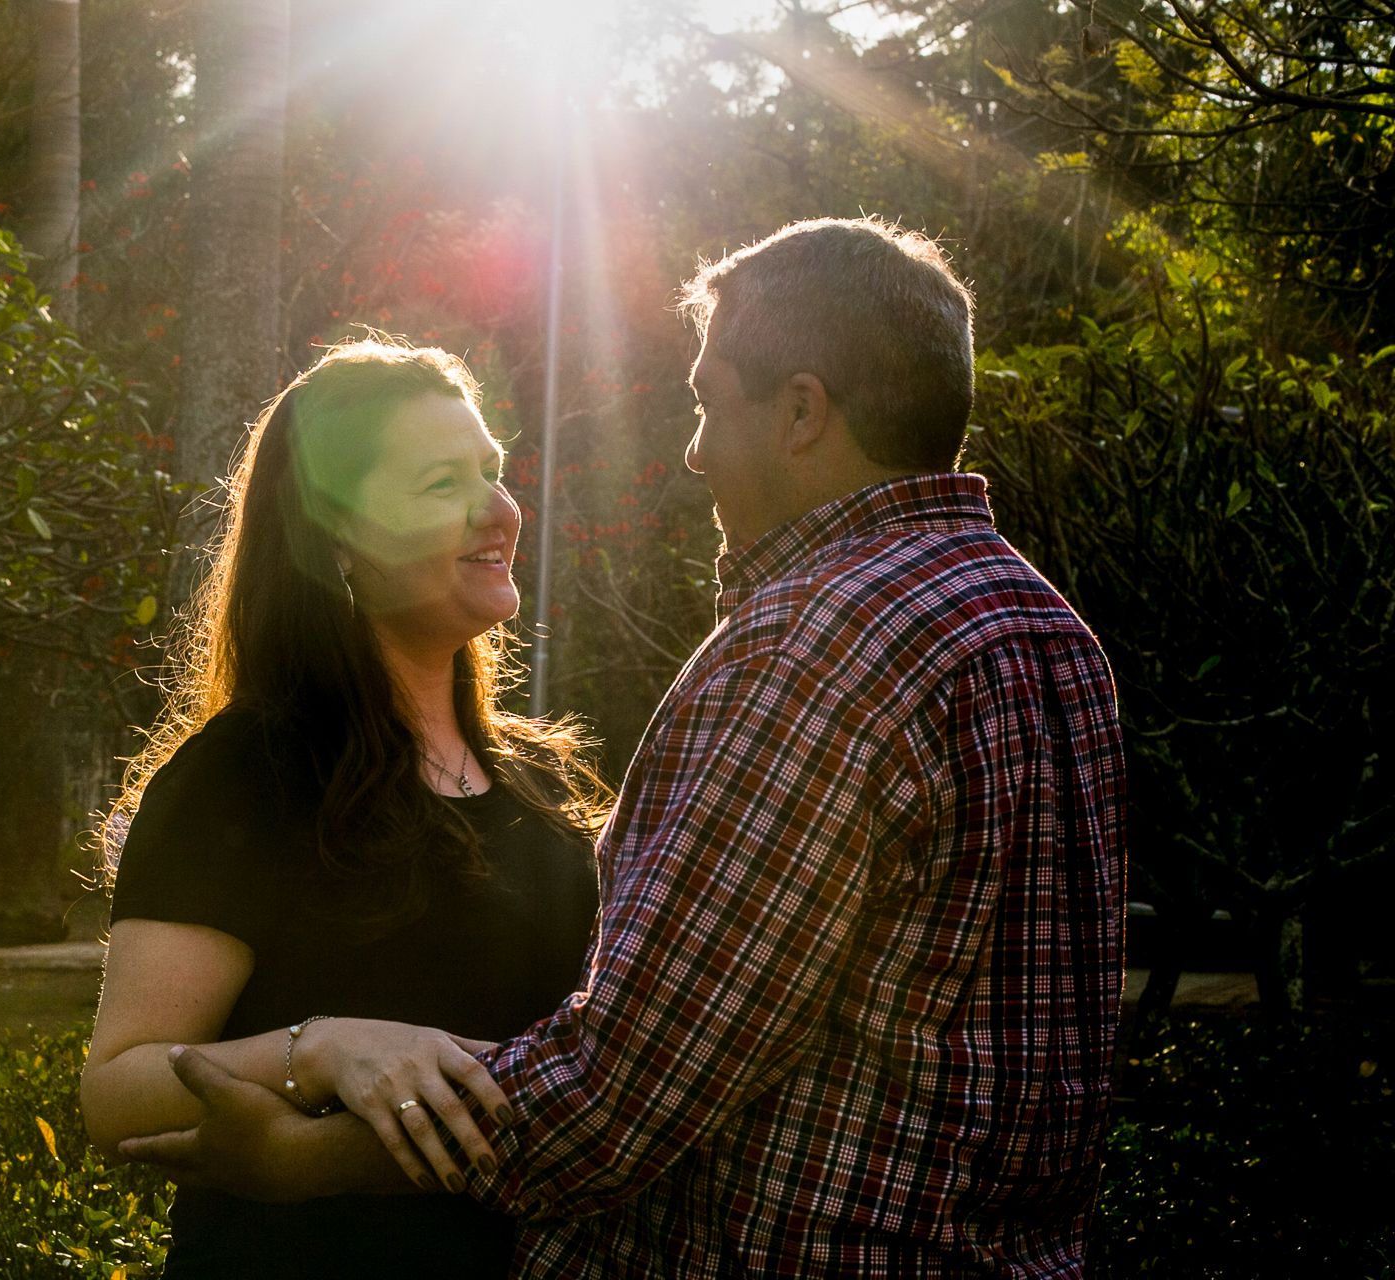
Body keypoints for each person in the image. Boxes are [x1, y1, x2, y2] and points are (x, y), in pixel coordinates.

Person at [120, 217, 1129, 1277]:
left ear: (799, 411)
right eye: (439, 482)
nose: (693, 448)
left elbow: (628, 1086)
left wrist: (313, 1157)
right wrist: (314, 1049)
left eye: (706, 401)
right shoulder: (1051, 631)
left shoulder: (807, 645)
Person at [78, 337, 609, 1278]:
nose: (500, 511)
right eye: (444, 484)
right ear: (339, 542)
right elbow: (116, 1091)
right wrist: (321, 1049)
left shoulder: (548, 782)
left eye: (493, 471)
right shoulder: (241, 775)